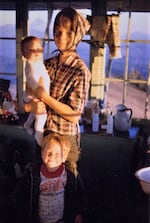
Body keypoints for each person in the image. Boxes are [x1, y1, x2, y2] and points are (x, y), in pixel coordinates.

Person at [24, 7, 91, 175]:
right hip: (43, 135)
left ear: (78, 36)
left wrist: (44, 97)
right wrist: (31, 107)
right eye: (58, 32)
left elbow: (74, 115)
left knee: (65, 189)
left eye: (69, 33)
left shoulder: (80, 71)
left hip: (64, 140)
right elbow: (27, 99)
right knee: (41, 187)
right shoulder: (45, 64)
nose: (62, 37)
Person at [14, 133, 86, 223]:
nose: (52, 156)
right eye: (49, 153)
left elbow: (79, 195)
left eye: (57, 154)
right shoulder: (32, 174)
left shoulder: (70, 175)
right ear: (42, 153)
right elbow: (20, 196)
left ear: (64, 157)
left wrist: (79, 212)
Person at [20, 36, 50, 146]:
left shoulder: (38, 62)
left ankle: (28, 124)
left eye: (39, 49)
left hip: (35, 95)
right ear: (24, 54)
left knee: (35, 112)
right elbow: (30, 79)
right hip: (34, 94)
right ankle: (39, 135)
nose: (36, 52)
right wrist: (39, 90)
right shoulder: (30, 65)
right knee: (42, 115)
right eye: (32, 50)